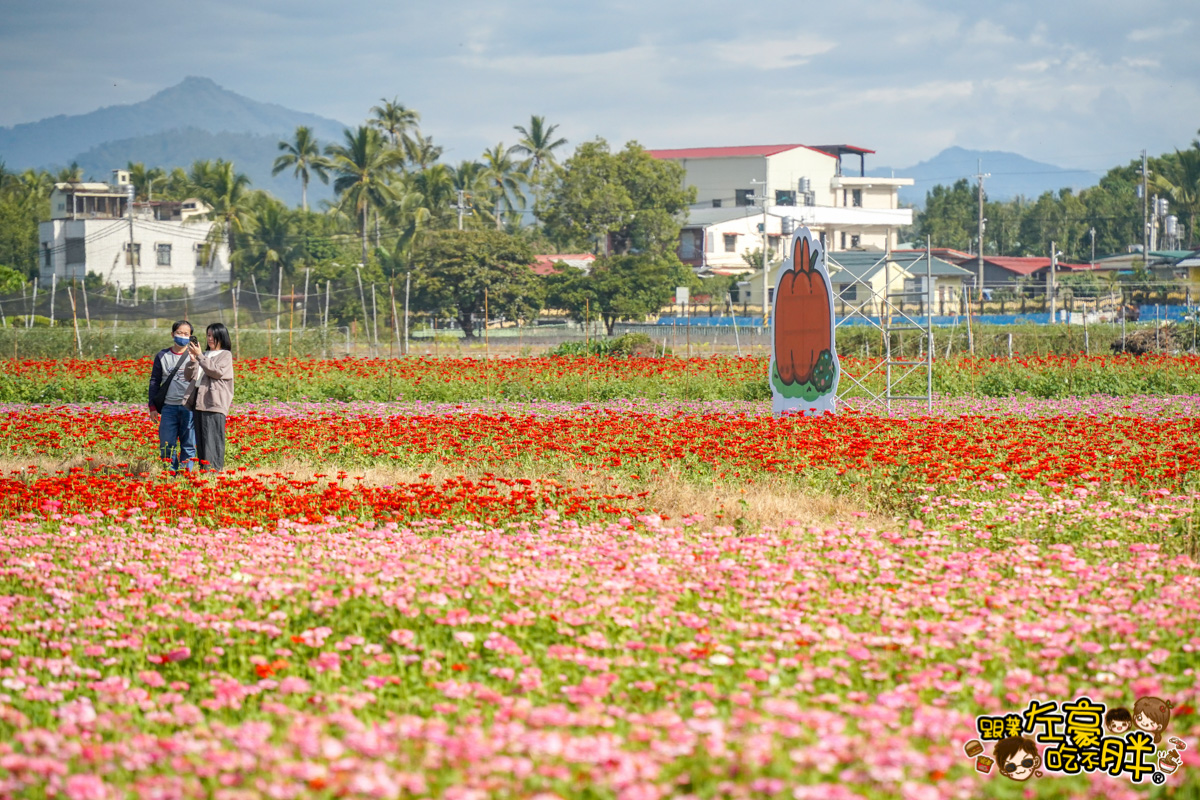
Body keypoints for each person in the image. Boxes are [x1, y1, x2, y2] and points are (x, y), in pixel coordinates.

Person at [184, 322, 234, 472]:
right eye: (208, 335)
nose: (209, 338)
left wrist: (199, 356)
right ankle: (204, 470)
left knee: (213, 439)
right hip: (199, 401)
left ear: (221, 337)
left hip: (214, 402)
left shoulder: (225, 355)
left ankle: (214, 471)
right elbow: (189, 376)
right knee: (202, 439)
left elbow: (216, 372)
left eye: (213, 336)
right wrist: (193, 359)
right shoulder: (204, 355)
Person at [148, 320, 197, 473]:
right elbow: (154, 381)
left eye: (186, 334)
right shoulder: (163, 355)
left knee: (188, 445)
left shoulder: (195, 355)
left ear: (190, 337)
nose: (182, 336)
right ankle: (170, 476)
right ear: (172, 334)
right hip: (168, 407)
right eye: (179, 333)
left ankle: (185, 476)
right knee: (166, 445)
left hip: (189, 407)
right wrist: (152, 407)